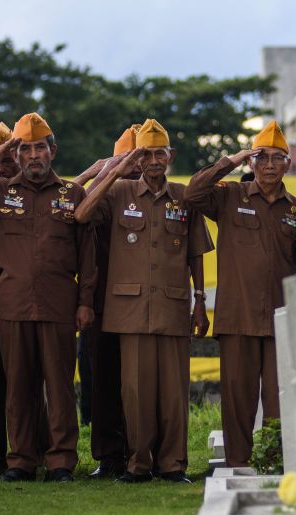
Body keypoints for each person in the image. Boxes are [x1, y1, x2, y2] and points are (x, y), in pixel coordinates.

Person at [0, 112, 95, 483]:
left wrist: (85, 302)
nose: (32, 156)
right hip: (11, 304)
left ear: (52, 151)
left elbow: (88, 257)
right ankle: (21, 461)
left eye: (38, 148)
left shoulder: (73, 194)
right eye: (24, 149)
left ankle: (61, 462)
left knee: (59, 387)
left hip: (59, 303)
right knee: (18, 386)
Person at [75, 119, 213, 483]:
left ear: (171, 156)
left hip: (172, 305)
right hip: (130, 309)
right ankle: (137, 465)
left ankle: (172, 465)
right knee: (134, 392)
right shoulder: (120, 192)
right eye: (146, 154)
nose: (153, 160)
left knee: (173, 393)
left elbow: (196, 252)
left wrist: (199, 299)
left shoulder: (183, 196)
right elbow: (82, 212)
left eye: (159, 153)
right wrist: (115, 169)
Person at [184, 120, 296, 467]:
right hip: (237, 317)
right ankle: (238, 463)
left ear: (288, 164)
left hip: (280, 321)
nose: (269, 165)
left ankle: (274, 460)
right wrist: (229, 161)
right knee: (238, 399)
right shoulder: (229, 196)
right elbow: (193, 194)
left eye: (276, 158)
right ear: (251, 163)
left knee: (278, 399)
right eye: (261, 158)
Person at [79, 124, 143, 478]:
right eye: (127, 160)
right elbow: (75, 207)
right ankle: (108, 455)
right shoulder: (104, 193)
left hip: (142, 302)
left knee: (141, 382)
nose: (134, 167)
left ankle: (143, 451)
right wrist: (101, 172)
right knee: (102, 380)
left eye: (141, 158)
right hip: (102, 300)